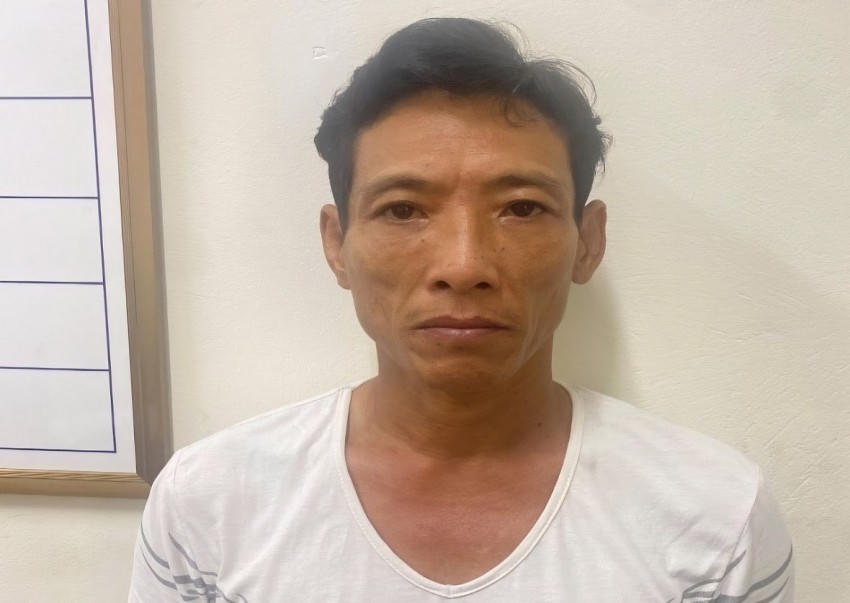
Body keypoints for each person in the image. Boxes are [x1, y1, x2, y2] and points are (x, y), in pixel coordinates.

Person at [129, 17, 794, 602]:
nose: (464, 264)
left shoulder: (715, 516)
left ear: (588, 242)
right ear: (337, 245)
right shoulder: (208, 502)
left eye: (521, 208)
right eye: (403, 209)